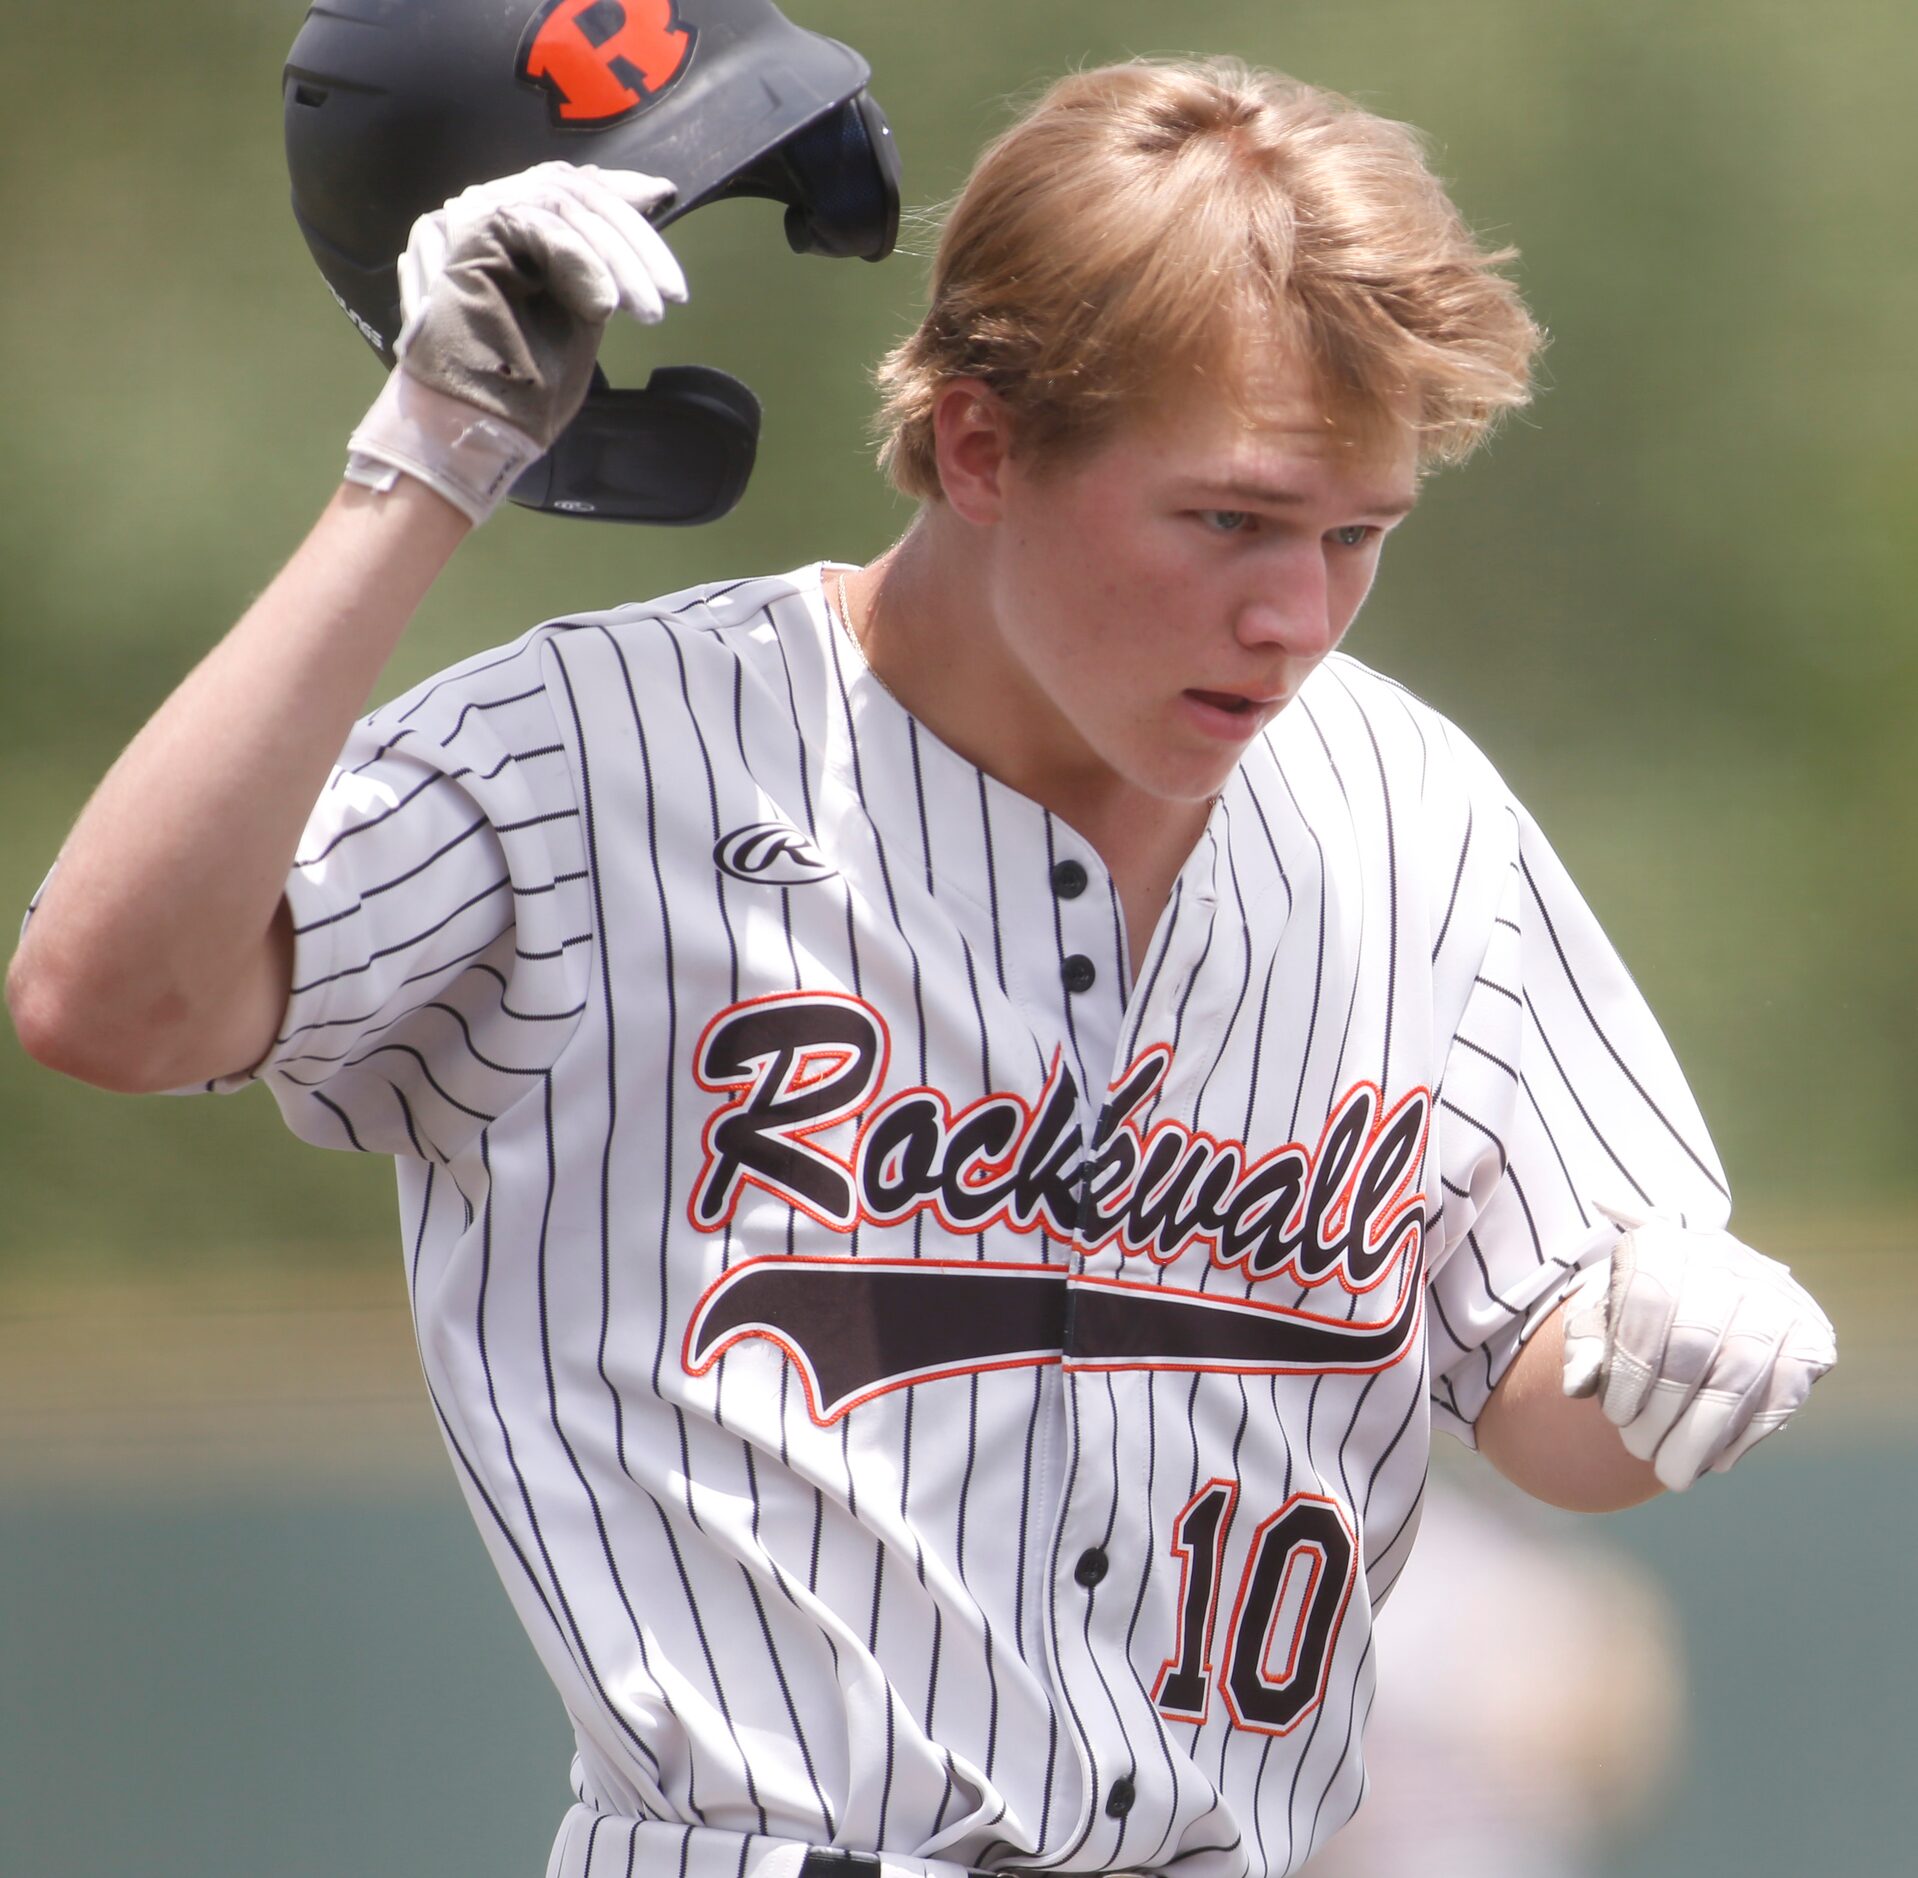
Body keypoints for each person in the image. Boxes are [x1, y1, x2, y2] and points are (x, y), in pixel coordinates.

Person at [7, 57, 1834, 1878]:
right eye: (1229, 519)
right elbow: (110, 1001)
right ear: (978, 443)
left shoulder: (1410, 807)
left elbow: (1551, 1406)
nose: (1297, 609)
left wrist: (1660, 1341)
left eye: (1356, 533)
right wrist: (425, 462)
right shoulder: (606, 749)